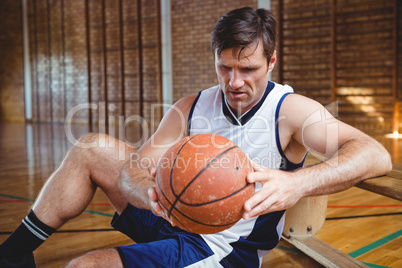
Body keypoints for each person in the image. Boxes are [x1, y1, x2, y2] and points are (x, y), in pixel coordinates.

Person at [0, 7, 392, 268]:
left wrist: (297, 183)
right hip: (173, 214)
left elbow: (374, 154)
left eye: (248, 68)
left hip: (222, 248)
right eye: (224, 67)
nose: (234, 81)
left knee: (82, 266)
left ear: (271, 61)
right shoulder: (192, 105)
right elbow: (136, 167)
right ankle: (14, 255)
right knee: (91, 149)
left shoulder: (291, 111)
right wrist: (147, 193)